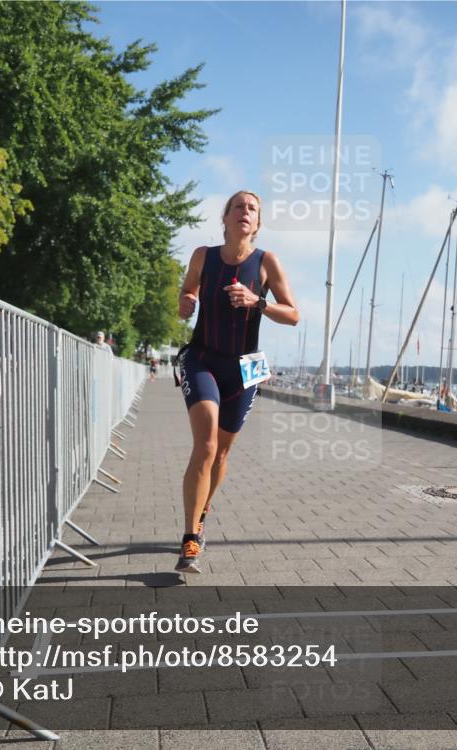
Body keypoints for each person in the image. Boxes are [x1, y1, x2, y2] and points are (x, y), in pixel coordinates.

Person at [173, 190, 299, 573]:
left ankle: (203, 510)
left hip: (246, 367)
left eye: (253, 209)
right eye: (239, 207)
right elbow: (186, 293)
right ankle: (191, 538)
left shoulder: (266, 263)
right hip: (202, 358)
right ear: (225, 218)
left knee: (222, 454)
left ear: (257, 224)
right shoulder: (203, 256)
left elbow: (293, 314)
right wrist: (185, 302)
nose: (246, 212)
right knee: (207, 443)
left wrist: (257, 301)